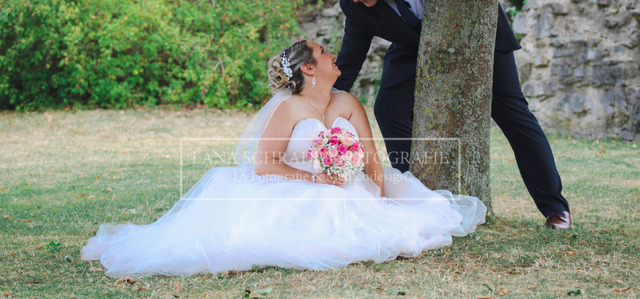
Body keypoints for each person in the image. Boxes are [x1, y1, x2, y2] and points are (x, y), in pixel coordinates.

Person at [81, 40, 486, 278]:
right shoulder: (289, 108)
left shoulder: (348, 102)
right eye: (323, 52)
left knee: (401, 220)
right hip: (295, 185)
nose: (332, 55)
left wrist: (379, 199)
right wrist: (316, 179)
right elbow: (264, 164)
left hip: (351, 185)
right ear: (309, 68)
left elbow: (372, 159)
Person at [327, 0, 571, 229]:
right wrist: (318, 103)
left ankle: (555, 208)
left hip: (478, 34)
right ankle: (415, 200)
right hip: (414, 48)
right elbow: (349, 62)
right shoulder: (355, 6)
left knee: (514, 115)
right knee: (387, 108)